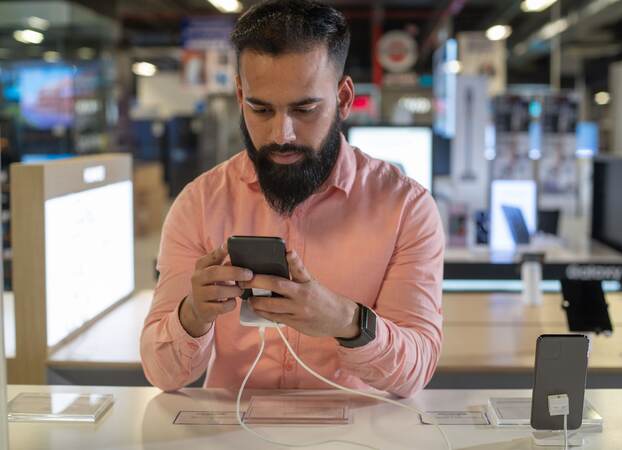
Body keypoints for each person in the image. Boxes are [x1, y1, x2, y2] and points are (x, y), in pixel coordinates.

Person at [140, 0, 444, 398]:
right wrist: (194, 315)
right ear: (239, 96)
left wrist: (345, 322)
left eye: (304, 109)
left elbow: (415, 372)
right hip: (233, 433)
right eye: (260, 109)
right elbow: (163, 375)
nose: (281, 134)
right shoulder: (199, 203)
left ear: (345, 98)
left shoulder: (406, 209)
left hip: (355, 436)